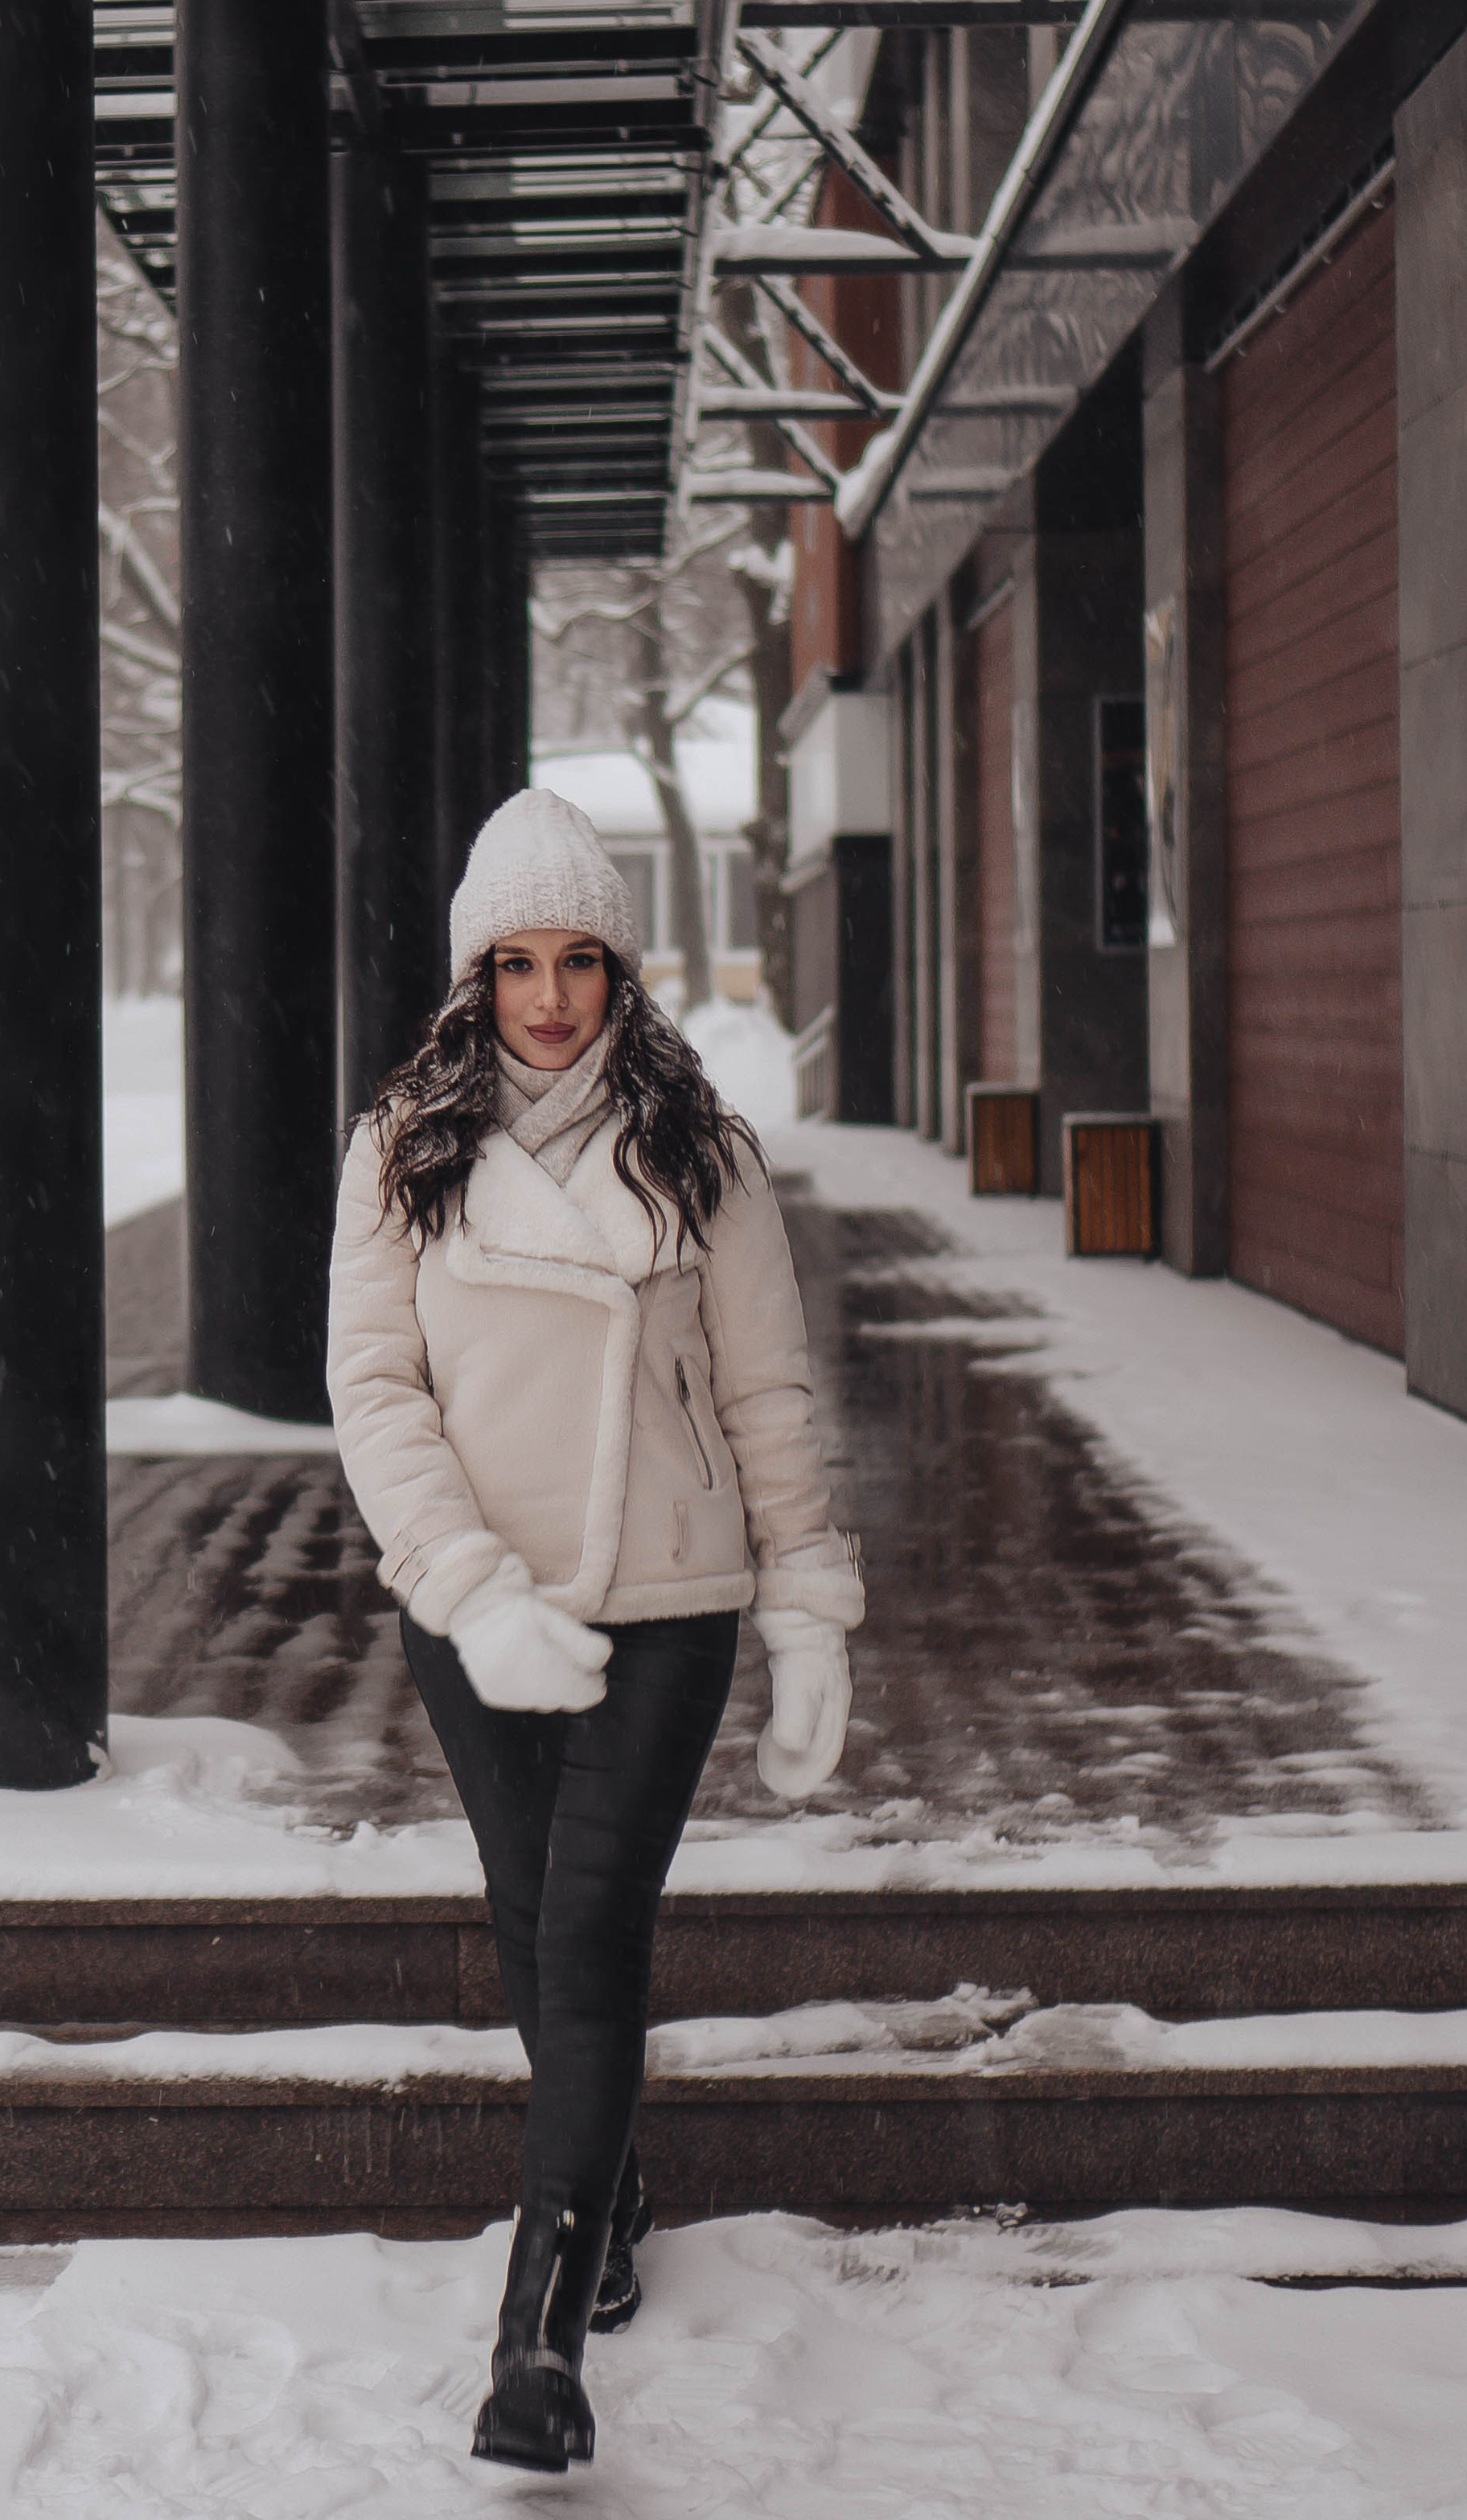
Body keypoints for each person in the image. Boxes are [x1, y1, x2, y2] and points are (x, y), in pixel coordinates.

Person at [327, 786, 864, 2477]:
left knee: (591, 1929)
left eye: (578, 962)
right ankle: (609, 2184)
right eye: (516, 963)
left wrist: (807, 1613)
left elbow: (769, 1390)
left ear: (620, 974)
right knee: (529, 1922)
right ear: (473, 976)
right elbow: (374, 1390)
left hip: (668, 1598)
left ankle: (536, 2344)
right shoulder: (402, 1151)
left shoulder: (697, 1151)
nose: (547, 997)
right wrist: (473, 1593)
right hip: (478, 1609)